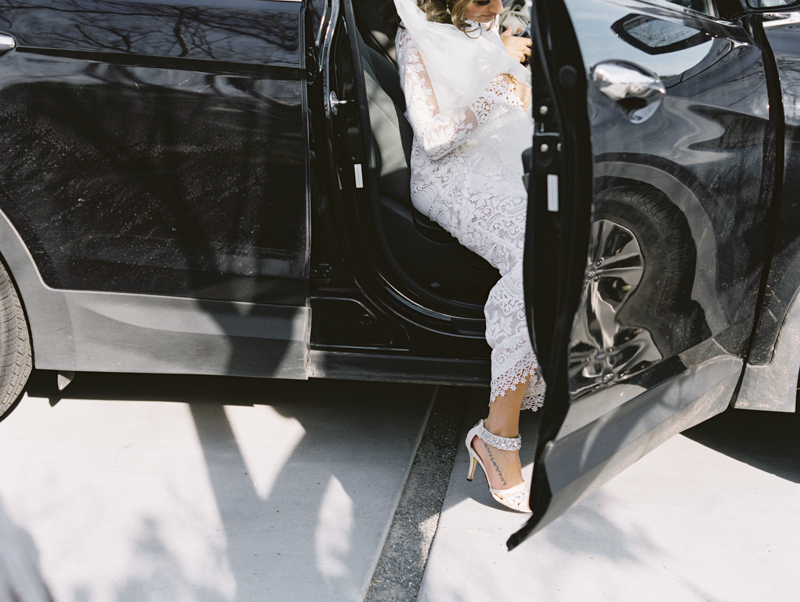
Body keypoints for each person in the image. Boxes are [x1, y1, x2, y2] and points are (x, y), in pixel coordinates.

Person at [391, 0, 545, 512]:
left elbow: (512, 104)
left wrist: (517, 85)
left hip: (500, 159)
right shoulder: (413, 39)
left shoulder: (490, 28)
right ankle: (497, 435)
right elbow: (433, 139)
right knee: (535, 258)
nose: (495, 6)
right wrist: (497, 85)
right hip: (449, 174)